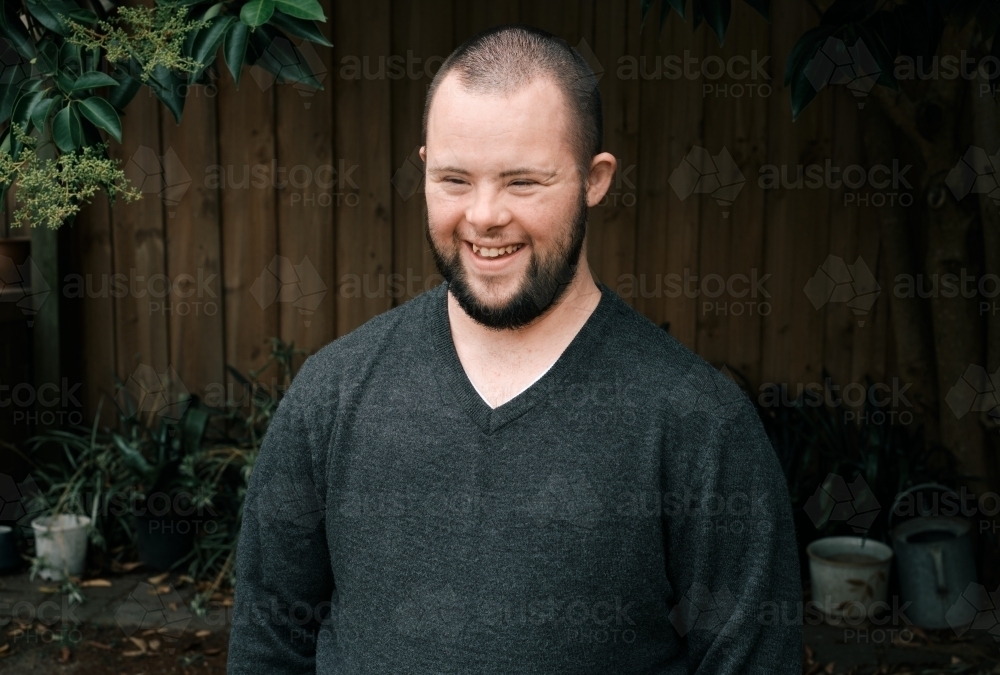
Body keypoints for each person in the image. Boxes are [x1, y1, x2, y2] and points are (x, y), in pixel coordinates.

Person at [227, 23, 802, 674]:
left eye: (522, 181)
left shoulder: (700, 425)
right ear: (423, 169)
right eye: (454, 179)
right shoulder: (330, 395)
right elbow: (267, 646)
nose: (483, 215)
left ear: (595, 178)